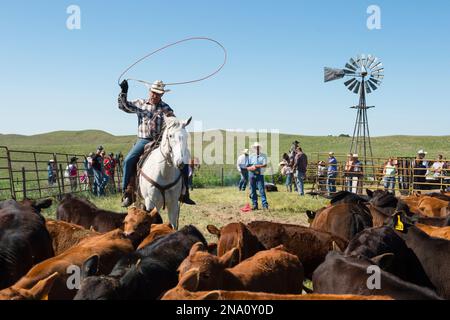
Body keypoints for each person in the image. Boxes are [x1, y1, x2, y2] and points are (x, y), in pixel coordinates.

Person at [118, 79, 195, 207]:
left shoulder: (166, 108)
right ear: (150, 91)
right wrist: (124, 92)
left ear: (162, 95)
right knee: (128, 160)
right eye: (153, 92)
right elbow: (123, 106)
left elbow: (174, 122)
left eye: (158, 93)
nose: (155, 95)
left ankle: (185, 192)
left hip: (161, 141)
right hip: (144, 140)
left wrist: (181, 123)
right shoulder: (141, 103)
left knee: (184, 159)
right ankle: (128, 192)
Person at [247, 142, 268, 210]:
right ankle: (254, 205)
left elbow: (265, 165)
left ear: (260, 148)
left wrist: (256, 166)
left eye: (258, 147)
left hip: (260, 174)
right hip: (251, 174)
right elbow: (247, 167)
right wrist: (251, 168)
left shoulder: (263, 155)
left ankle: (265, 205)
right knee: (252, 190)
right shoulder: (251, 156)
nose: (257, 148)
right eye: (256, 147)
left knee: (261, 190)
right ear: (254, 148)